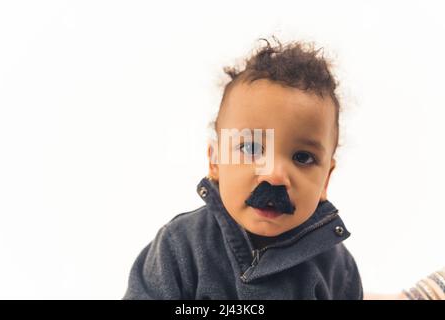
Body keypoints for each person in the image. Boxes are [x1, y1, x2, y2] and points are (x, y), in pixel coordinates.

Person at [123, 36, 365, 299]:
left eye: (302, 157)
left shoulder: (337, 268)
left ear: (326, 180)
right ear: (215, 161)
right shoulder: (179, 247)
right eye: (251, 149)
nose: (274, 176)